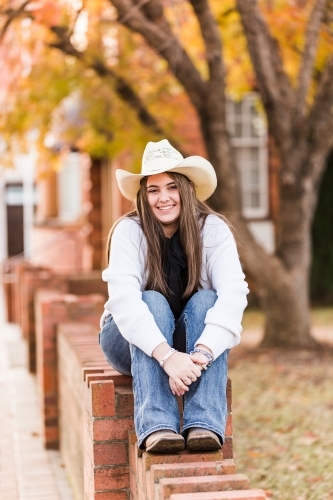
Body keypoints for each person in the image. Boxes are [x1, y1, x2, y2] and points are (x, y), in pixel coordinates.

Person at [99, 139, 248, 454]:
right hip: (126, 341)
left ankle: (204, 424)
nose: (163, 198)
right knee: (150, 299)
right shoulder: (129, 231)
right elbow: (125, 305)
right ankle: (158, 427)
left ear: (187, 189)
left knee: (208, 301)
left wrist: (201, 356)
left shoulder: (214, 230)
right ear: (144, 196)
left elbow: (233, 296)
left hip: (190, 346)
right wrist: (167, 357)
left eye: (171, 187)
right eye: (153, 190)